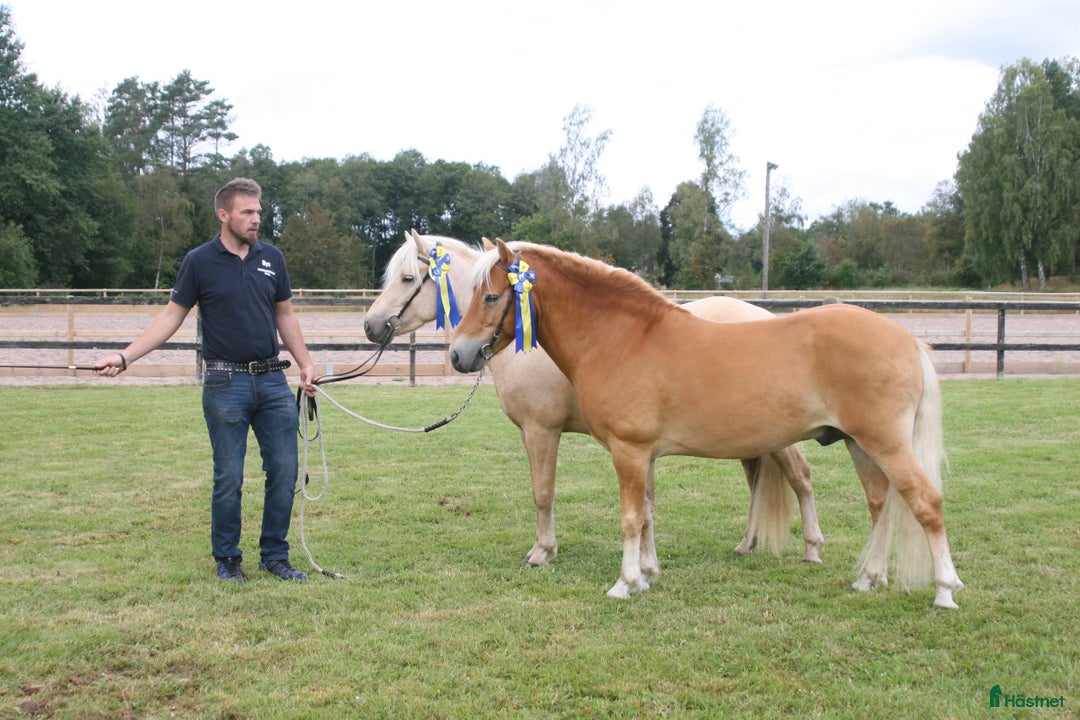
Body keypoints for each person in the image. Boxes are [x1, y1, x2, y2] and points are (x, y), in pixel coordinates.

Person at [94, 178, 318, 584]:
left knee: (285, 470)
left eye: (259, 211)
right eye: (247, 212)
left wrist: (304, 363)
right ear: (224, 215)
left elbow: (285, 315)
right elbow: (170, 317)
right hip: (224, 384)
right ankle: (228, 559)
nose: (256, 219)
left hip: (272, 381)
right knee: (229, 475)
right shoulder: (199, 261)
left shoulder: (272, 258)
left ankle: (275, 556)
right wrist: (125, 356)